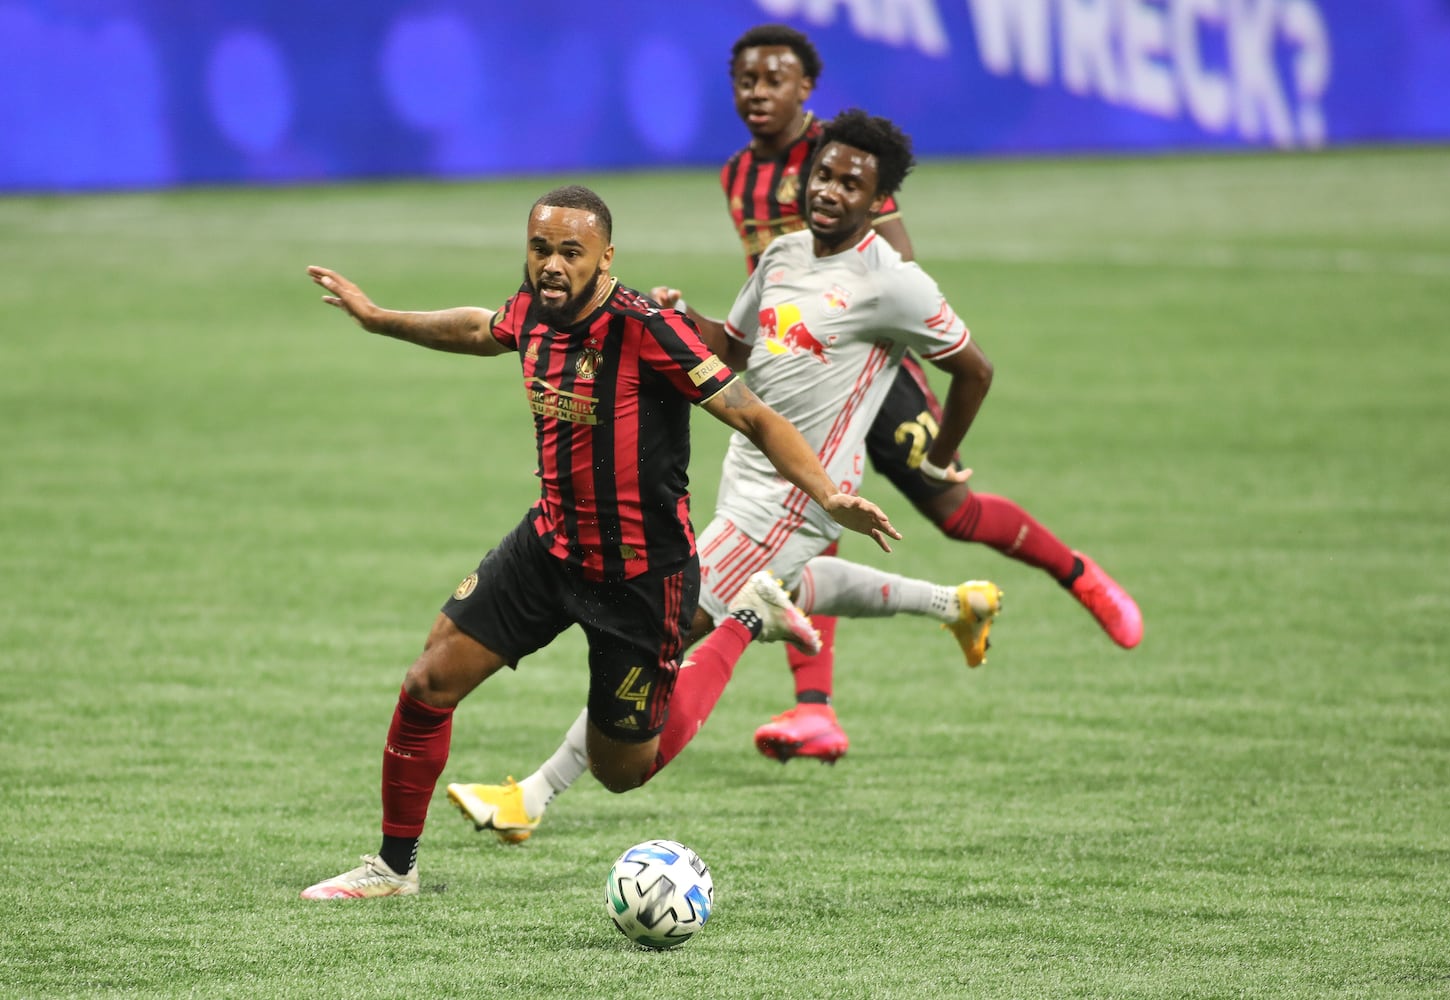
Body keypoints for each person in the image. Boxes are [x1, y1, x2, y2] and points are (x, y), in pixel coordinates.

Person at [298, 184, 901, 899]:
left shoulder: (647, 328)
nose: (551, 265)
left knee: (623, 772)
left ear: (605, 257)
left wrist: (828, 493)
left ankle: (744, 621)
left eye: (569, 253)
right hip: (548, 547)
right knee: (429, 680)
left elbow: (755, 418)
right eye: (540, 248)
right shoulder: (533, 308)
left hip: (641, 578)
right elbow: (479, 328)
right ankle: (393, 869)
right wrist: (378, 319)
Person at [445, 111, 1008, 845]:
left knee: (661, 635)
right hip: (746, 470)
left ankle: (533, 795)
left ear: (879, 203)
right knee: (787, 585)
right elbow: (732, 348)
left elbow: (973, 368)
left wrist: (939, 454)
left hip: (799, 492)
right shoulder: (780, 255)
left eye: (852, 183)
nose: (830, 189)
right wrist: (683, 320)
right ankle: (956, 604)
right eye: (824, 173)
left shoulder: (894, 283)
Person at [724, 24, 1142, 761]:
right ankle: (813, 710)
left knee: (949, 510)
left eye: (774, 80)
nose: (759, 93)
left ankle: (1077, 575)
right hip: (793, 367)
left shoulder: (841, 157)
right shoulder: (736, 175)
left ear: (805, 91)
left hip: (862, 368)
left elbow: (895, 266)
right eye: (746, 80)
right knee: (807, 521)